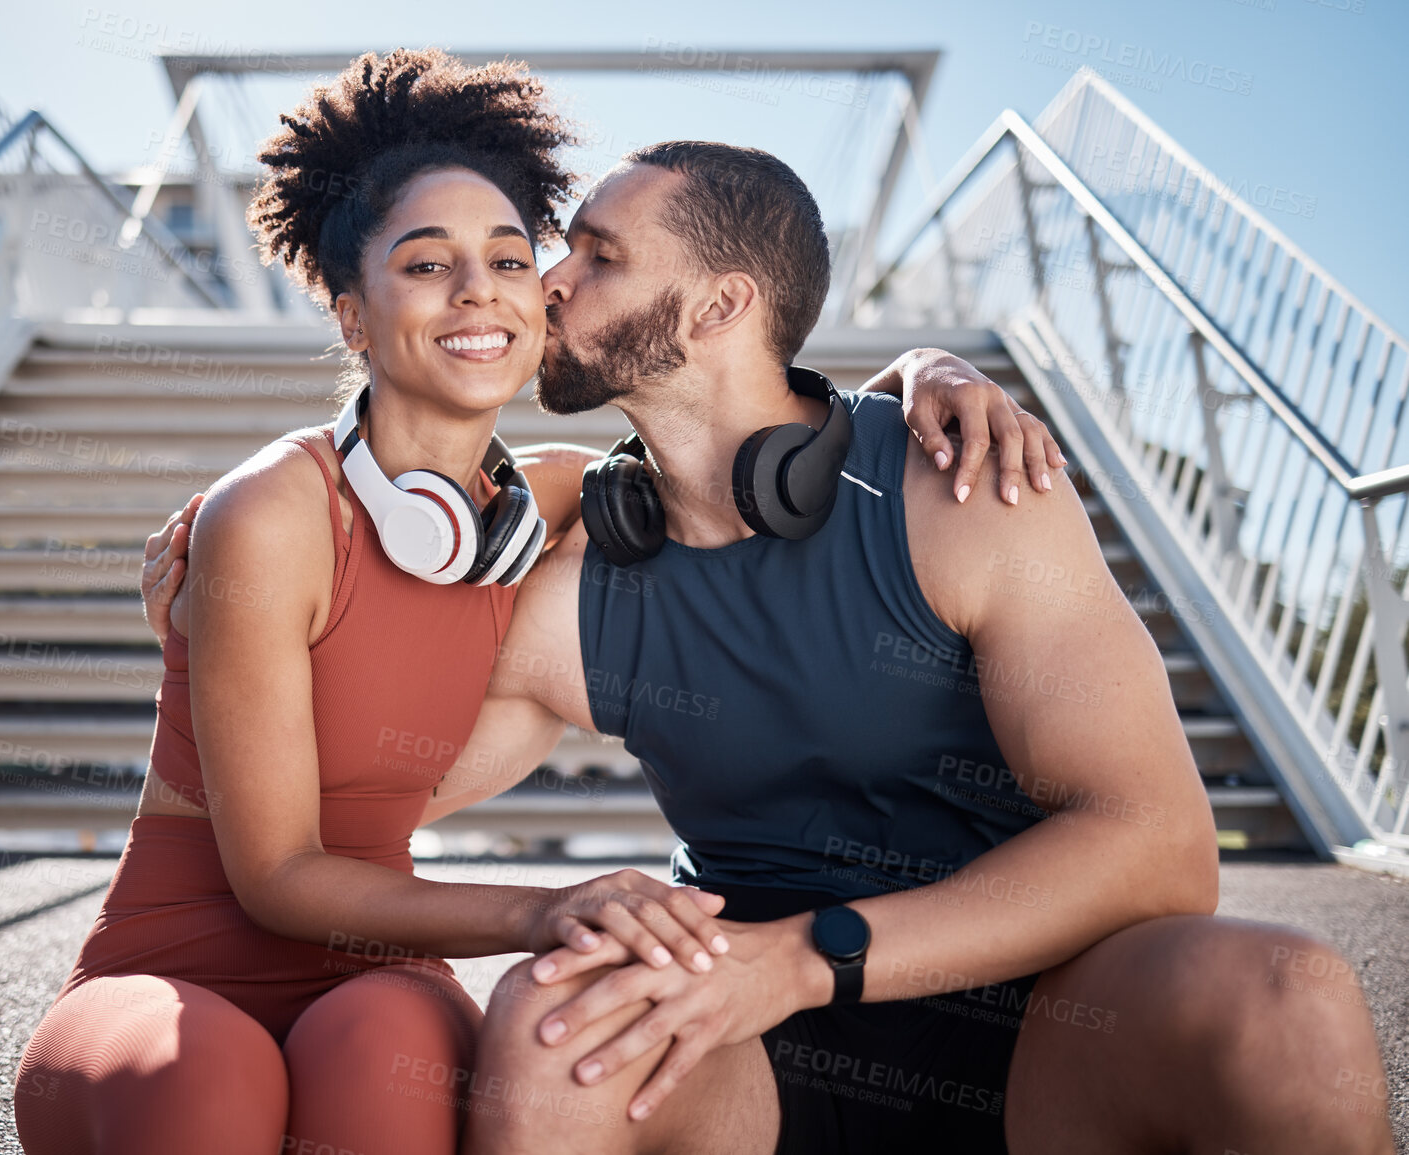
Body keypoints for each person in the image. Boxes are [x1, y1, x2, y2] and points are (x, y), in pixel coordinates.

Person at [148, 143, 1394, 1153]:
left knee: (1288, 992)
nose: (546, 285)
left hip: (1044, 1025)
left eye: (595, 254)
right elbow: (343, 802)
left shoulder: (957, 485)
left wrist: (804, 961)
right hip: (738, 1036)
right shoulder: (575, 578)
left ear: (722, 305)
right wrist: (233, 612)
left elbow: (1160, 847)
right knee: (553, 1020)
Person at [18, 49, 1050, 1155]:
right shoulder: (270, 511)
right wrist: (538, 908)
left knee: (384, 1070)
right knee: (205, 1090)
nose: (487, 289)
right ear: (353, 314)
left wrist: (929, 370)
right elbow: (277, 875)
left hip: (371, 967)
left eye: (513, 258)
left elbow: (763, 434)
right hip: (184, 955)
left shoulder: (554, 499)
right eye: (425, 264)